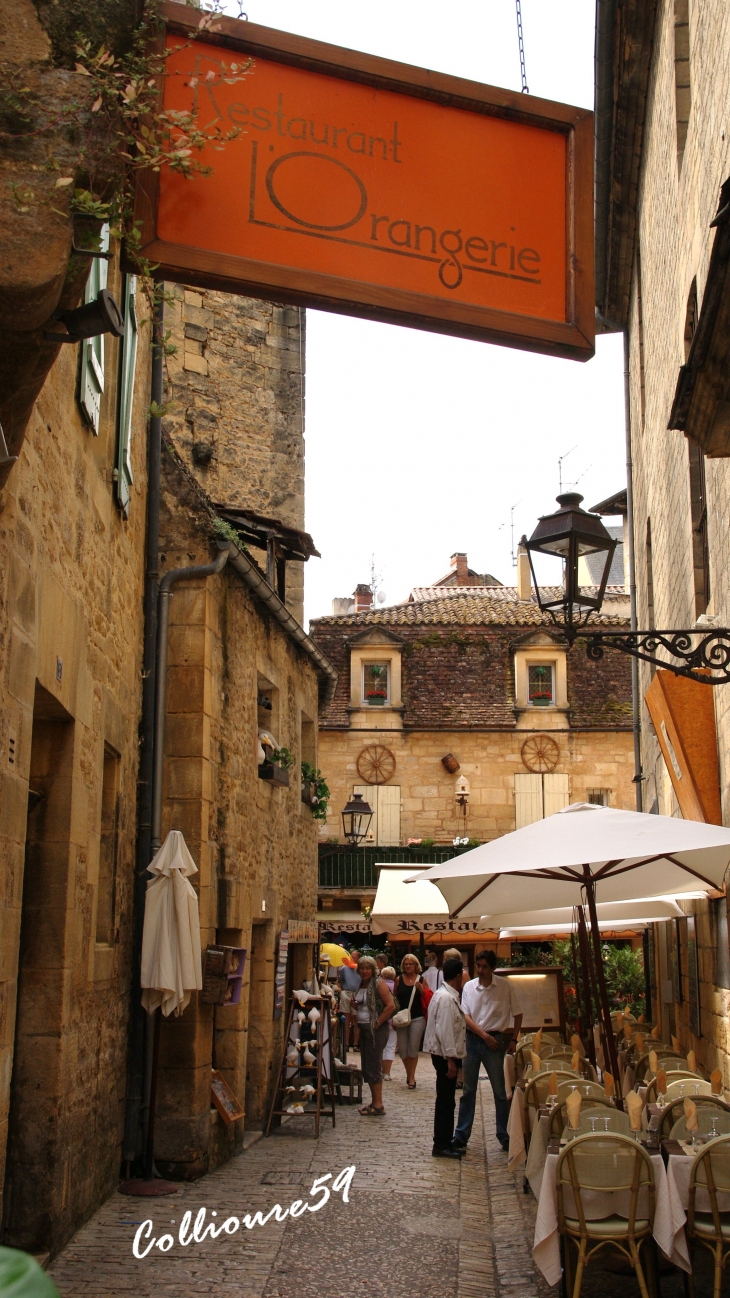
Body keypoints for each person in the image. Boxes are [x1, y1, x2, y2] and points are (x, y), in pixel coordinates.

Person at [452, 949, 523, 1155]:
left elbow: (518, 1014)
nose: (480, 970)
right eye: (478, 966)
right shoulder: (469, 988)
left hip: (496, 1040)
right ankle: (462, 1135)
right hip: (474, 1040)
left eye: (484, 967)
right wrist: (485, 1037)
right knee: (468, 1091)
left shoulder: (504, 987)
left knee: (500, 1092)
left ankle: (505, 1135)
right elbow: (465, 1016)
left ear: (492, 968)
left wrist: (514, 1039)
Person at [423, 956, 466, 1158]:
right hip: (444, 1055)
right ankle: (441, 1144)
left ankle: (444, 1140)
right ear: (458, 976)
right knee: (446, 1100)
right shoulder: (447, 999)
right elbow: (445, 1030)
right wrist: (451, 1058)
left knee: (447, 1100)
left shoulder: (442, 995)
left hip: (441, 1053)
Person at [353, 955, 396, 1116]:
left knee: (374, 1066)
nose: (364, 971)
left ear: (373, 969)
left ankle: (379, 1105)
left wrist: (377, 1023)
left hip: (376, 1031)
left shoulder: (379, 983)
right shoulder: (362, 984)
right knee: (367, 1066)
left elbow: (390, 1006)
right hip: (364, 1029)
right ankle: (374, 1101)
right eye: (362, 968)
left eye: (367, 968)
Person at [393, 954, 428, 1089]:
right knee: (402, 1050)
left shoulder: (421, 980)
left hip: (417, 1017)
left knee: (413, 1048)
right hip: (402, 1017)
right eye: (406, 964)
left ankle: (411, 1077)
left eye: (410, 964)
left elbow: (428, 996)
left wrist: (421, 989)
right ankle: (409, 1073)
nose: (408, 966)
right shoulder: (398, 980)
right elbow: (394, 998)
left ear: (415, 965)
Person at [337, 949, 361, 1049]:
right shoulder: (344, 969)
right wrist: (341, 991)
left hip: (357, 993)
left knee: (356, 1019)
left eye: (355, 957)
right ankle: (346, 1043)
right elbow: (339, 981)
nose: (353, 959)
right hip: (346, 992)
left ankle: (355, 1044)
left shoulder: (361, 969)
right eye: (352, 957)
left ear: (358, 959)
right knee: (347, 1018)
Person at [380, 965, 397, 1079]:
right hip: (394, 1020)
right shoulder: (396, 986)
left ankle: (382, 1070)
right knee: (390, 1046)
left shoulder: (381, 986)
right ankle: (388, 1072)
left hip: (382, 1019)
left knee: (381, 1046)